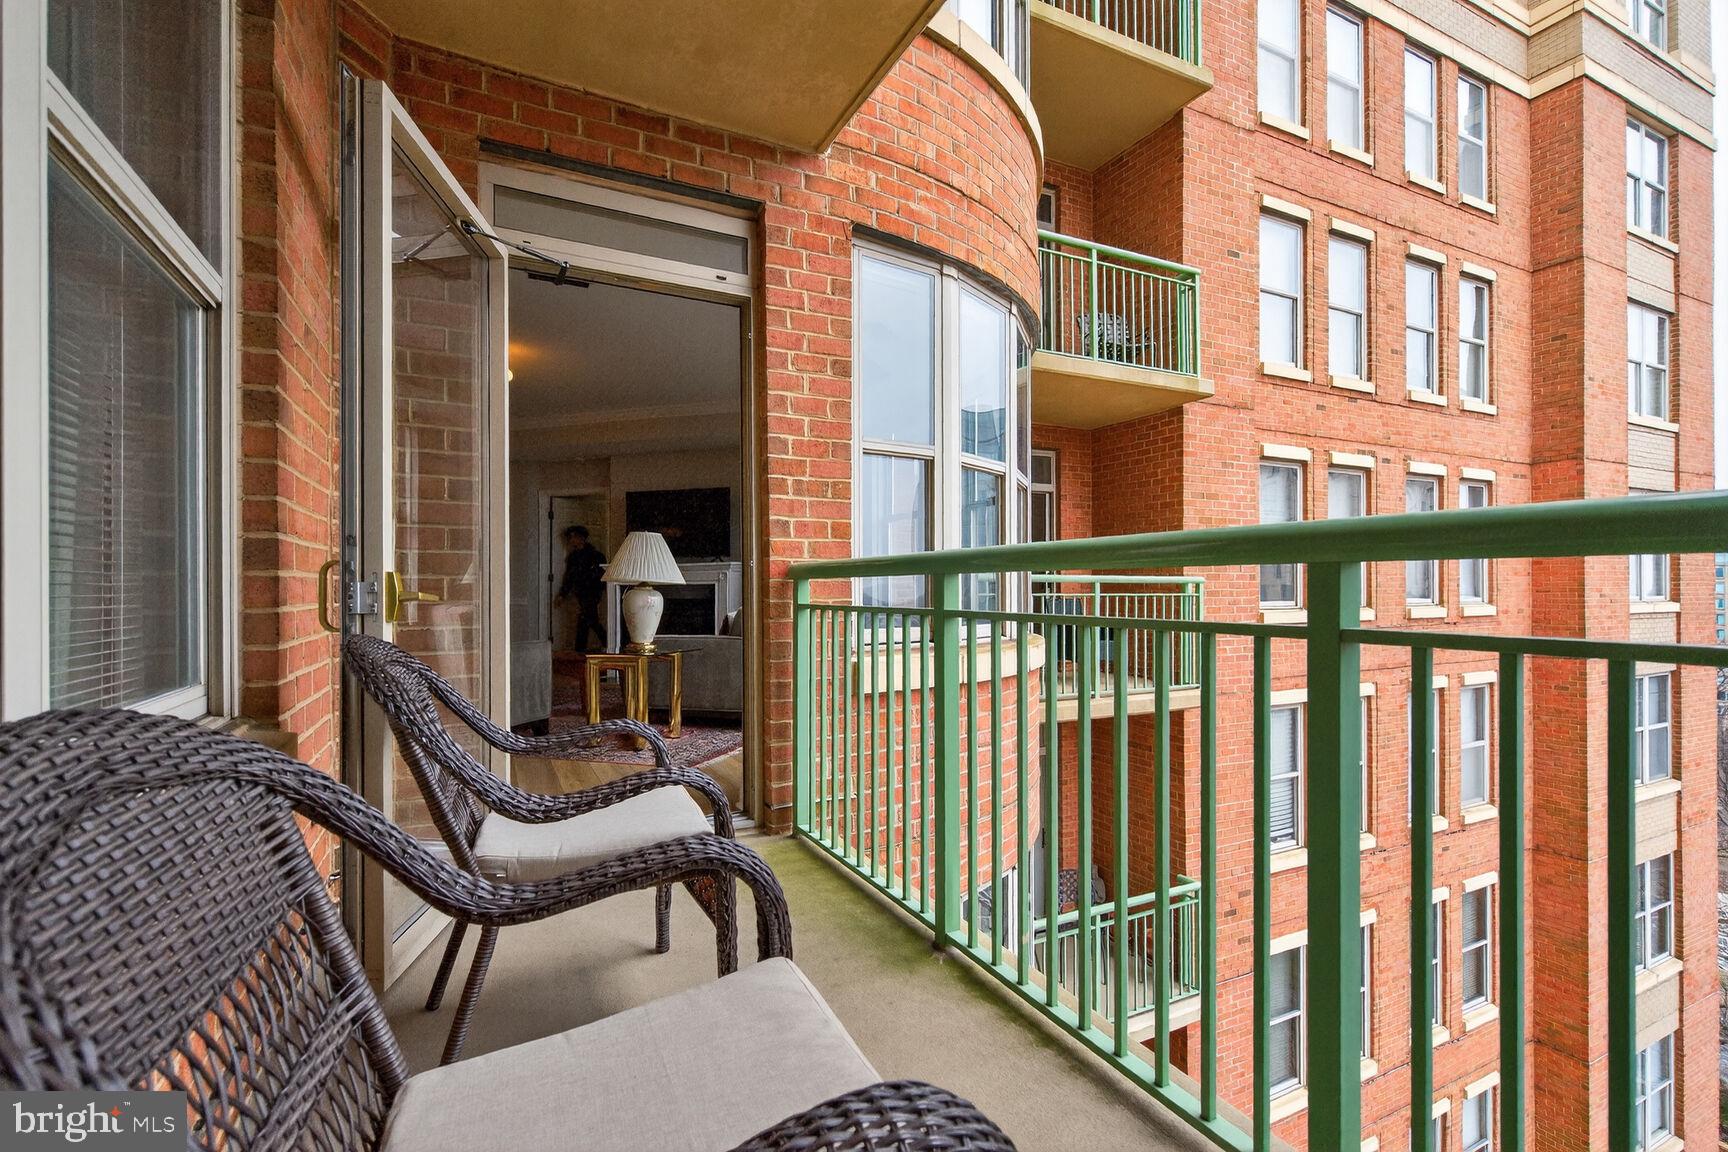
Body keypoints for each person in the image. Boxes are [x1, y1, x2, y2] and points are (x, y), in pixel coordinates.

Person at [554, 525, 607, 653]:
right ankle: (591, 646)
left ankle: (582, 648)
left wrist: (598, 589)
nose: (572, 540)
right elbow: (569, 577)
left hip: (592, 592)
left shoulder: (596, 556)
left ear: (582, 538)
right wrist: (562, 594)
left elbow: (602, 575)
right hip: (581, 593)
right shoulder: (573, 557)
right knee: (589, 619)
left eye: (574, 537)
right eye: (570, 537)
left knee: (587, 618)